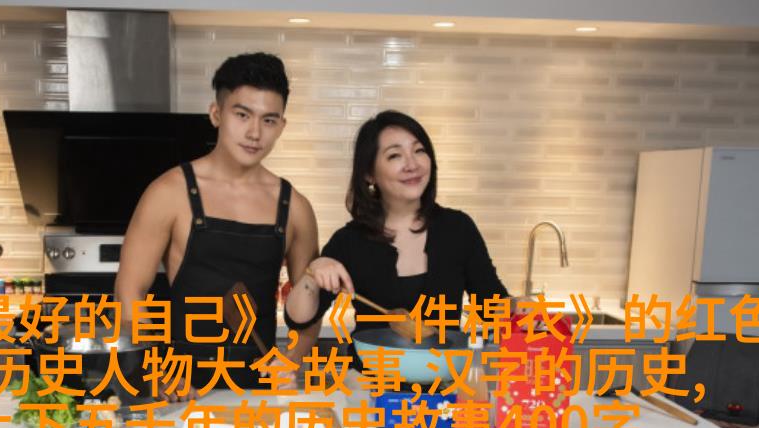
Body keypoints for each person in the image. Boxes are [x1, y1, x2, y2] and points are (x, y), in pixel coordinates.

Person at [114, 52, 320, 392]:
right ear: (216, 114)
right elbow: (129, 291)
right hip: (180, 391)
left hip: (257, 392)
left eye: (269, 120)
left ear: (281, 126)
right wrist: (157, 368)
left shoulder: (295, 208)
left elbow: (310, 307)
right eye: (242, 115)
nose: (254, 132)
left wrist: (292, 359)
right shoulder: (169, 192)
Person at [284, 110, 508, 339]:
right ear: (369, 174)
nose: (412, 164)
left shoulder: (458, 229)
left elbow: (493, 308)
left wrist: (518, 307)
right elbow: (298, 318)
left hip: (444, 362)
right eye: (394, 156)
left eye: (419, 151)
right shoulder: (349, 241)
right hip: (370, 364)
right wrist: (314, 271)